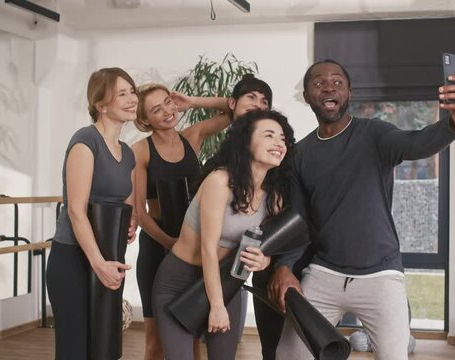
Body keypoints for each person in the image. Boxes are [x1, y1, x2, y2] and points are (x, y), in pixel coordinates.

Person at [269, 59, 455, 360]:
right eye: (319, 82)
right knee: (289, 355)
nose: (329, 86)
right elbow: (298, 221)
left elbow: (415, 144)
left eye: (338, 81)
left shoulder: (374, 135)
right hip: (324, 274)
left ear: (349, 92)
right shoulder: (300, 155)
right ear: (308, 96)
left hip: (381, 275)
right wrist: (284, 267)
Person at [132, 74, 273, 360]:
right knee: (156, 340)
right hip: (159, 242)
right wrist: (168, 241)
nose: (167, 111)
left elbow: (238, 110)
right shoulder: (140, 151)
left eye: (168, 103)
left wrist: (192, 101)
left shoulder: (192, 137)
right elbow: (138, 210)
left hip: (195, 236)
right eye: (156, 109)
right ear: (145, 120)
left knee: (193, 336)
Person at [151, 109, 296, 360]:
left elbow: (269, 246)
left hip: (227, 282)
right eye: (269, 135)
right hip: (178, 281)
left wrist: (266, 260)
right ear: (246, 141)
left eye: (282, 138)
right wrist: (216, 306)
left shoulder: (274, 196)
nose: (278, 143)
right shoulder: (220, 181)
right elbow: (208, 248)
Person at [46, 67, 138, 359]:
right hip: (74, 257)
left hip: (108, 257)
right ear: (101, 104)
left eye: (132, 91)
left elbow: (124, 201)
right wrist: (99, 264)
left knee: (103, 348)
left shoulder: (127, 152)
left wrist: (130, 224)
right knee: (75, 349)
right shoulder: (86, 141)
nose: (132, 98)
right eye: (121, 93)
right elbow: (75, 210)